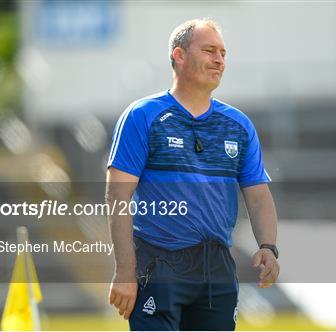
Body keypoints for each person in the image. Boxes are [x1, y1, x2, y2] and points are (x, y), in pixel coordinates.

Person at [105, 18, 279, 331]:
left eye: (223, 53)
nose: (219, 60)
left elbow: (258, 195)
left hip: (216, 267)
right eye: (210, 50)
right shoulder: (143, 115)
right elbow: (118, 195)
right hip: (157, 264)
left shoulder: (239, 125)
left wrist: (268, 246)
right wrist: (125, 271)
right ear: (179, 56)